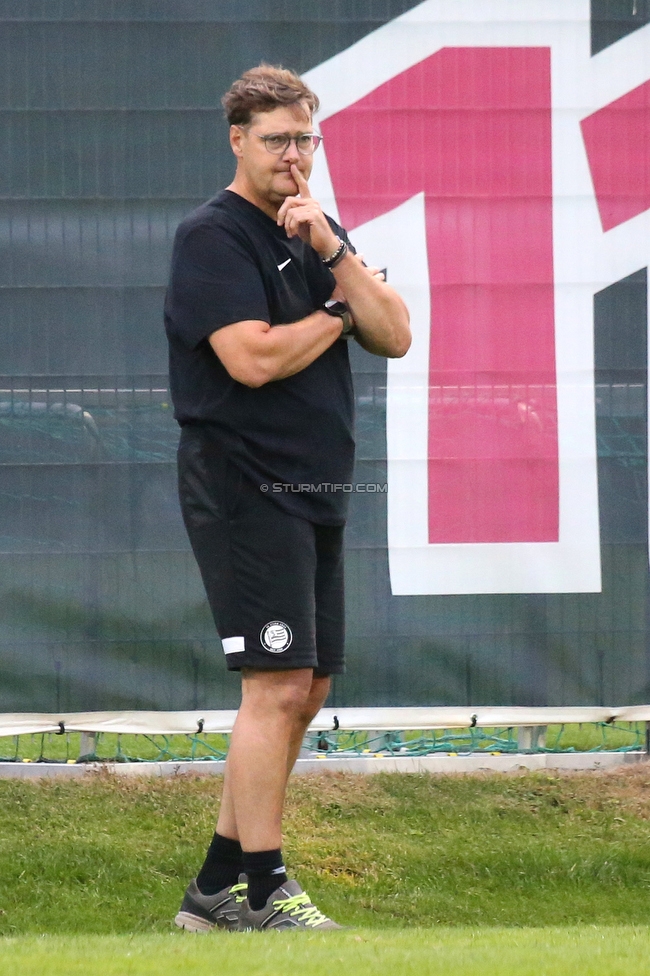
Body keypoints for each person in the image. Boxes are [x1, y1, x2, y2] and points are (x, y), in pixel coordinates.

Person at [164, 64, 410, 933]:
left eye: (305, 138)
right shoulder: (212, 237)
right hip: (244, 487)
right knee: (274, 684)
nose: (293, 157)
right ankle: (266, 888)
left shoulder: (317, 231)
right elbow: (253, 359)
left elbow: (399, 334)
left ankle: (214, 887)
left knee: (306, 689)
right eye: (276, 140)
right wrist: (339, 313)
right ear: (238, 141)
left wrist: (336, 256)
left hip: (317, 488)